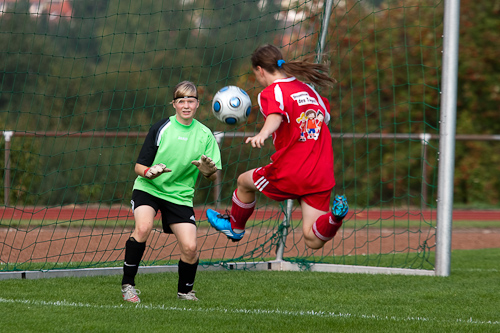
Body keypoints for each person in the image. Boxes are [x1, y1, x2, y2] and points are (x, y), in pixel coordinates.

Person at [207, 44, 348, 250]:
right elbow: (324, 118)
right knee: (313, 239)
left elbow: (276, 115)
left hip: (291, 171)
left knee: (243, 182)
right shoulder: (309, 90)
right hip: (320, 171)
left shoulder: (272, 92)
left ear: (260, 70)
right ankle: (335, 218)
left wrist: (264, 133)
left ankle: (235, 228)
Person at [121, 81, 222, 303]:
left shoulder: (205, 135)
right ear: (174, 104)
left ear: (197, 104)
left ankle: (185, 292)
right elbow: (138, 167)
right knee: (144, 227)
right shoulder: (161, 128)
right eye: (181, 101)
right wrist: (150, 172)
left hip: (179, 195)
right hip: (149, 188)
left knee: (190, 246)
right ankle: (128, 286)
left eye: (191, 100)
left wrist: (208, 172)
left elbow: (213, 174)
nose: (186, 105)